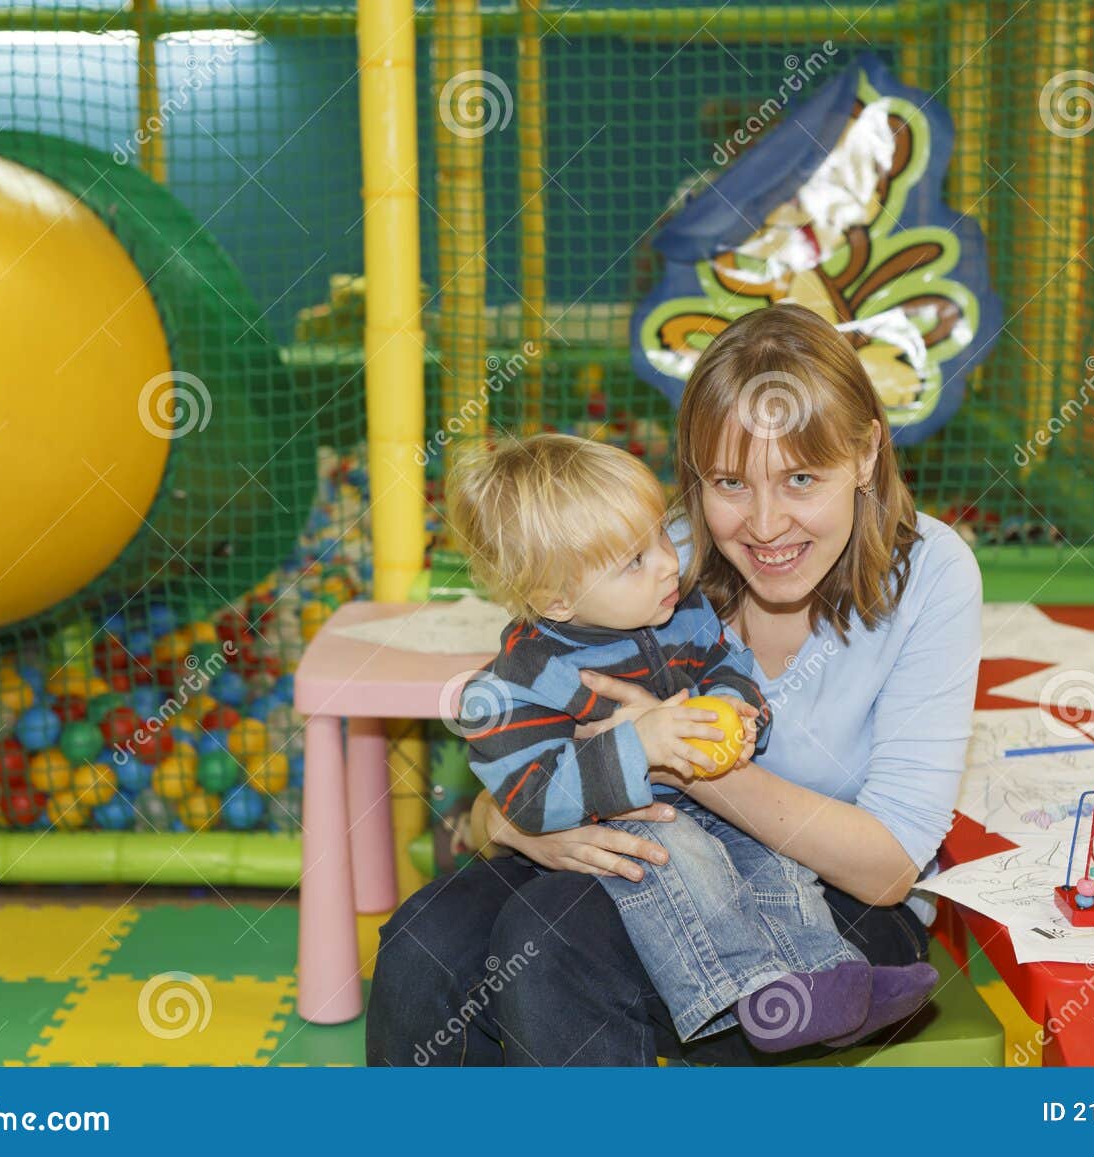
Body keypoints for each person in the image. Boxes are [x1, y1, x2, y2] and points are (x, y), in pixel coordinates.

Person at [368, 303, 982, 1066]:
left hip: (830, 905)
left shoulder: (930, 572)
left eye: (800, 478)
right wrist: (513, 823)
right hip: (647, 838)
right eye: (729, 481)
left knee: (549, 947)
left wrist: (675, 748)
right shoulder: (657, 560)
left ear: (864, 455)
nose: (763, 524)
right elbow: (527, 727)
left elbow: (890, 867)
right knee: (424, 947)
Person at [444, 434, 938, 1053]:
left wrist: (737, 706)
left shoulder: (679, 613)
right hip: (633, 817)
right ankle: (750, 993)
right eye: (634, 560)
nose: (667, 561)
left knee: (781, 866)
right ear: (556, 598)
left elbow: (726, 667)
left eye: (658, 537)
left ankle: (832, 983)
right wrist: (641, 746)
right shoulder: (520, 679)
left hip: (711, 803)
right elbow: (528, 794)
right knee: (685, 861)